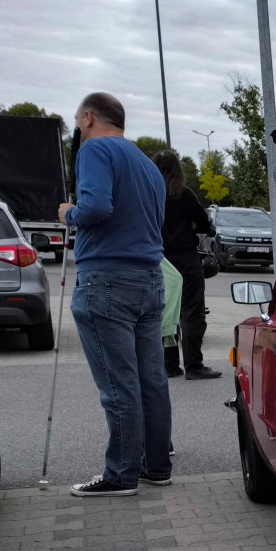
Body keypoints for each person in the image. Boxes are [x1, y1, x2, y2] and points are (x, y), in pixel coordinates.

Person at [57, 92, 173, 497]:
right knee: (151, 380)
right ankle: (156, 466)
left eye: (77, 121)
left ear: (88, 118)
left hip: (106, 278)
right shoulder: (147, 164)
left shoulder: (93, 151)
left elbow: (96, 207)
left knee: (118, 384)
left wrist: (68, 213)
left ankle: (120, 474)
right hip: (148, 278)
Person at [152, 149, 221, 380]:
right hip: (185, 258)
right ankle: (194, 366)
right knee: (192, 311)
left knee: (167, 312)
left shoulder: (149, 194)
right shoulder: (182, 193)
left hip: (159, 259)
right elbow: (204, 223)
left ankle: (169, 365)